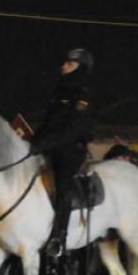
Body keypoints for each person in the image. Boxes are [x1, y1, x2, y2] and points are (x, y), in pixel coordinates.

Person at [31, 48, 96, 258]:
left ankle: (59, 236)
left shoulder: (82, 95)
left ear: (79, 67)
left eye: (69, 63)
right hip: (50, 147)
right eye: (65, 63)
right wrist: (32, 143)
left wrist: (45, 144)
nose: (63, 66)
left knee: (63, 183)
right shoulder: (59, 91)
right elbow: (48, 122)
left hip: (71, 149)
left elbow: (72, 129)